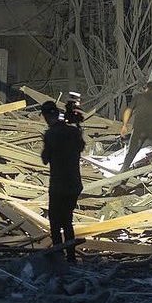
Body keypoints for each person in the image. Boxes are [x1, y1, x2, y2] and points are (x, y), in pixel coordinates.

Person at [40, 100, 85, 262]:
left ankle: (59, 255)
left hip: (59, 183)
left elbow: (45, 159)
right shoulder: (73, 132)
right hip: (74, 183)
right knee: (67, 220)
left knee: (55, 221)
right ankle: (71, 257)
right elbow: (81, 147)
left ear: (45, 116)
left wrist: (46, 144)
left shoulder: (51, 134)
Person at [120, 81, 152, 172]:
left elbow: (128, 111)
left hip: (139, 130)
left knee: (131, 153)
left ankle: (122, 174)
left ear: (146, 88)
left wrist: (124, 125)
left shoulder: (138, 98)